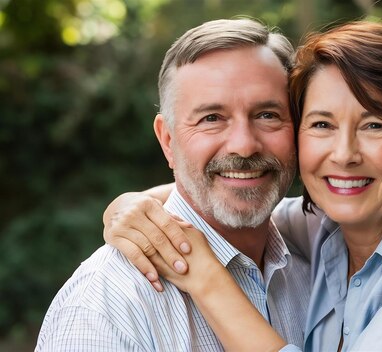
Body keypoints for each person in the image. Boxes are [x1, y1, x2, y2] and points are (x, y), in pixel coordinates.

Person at [104, 21, 382, 351]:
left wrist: (205, 277)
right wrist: (127, 207)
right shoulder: (319, 231)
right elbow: (214, 195)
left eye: (375, 125)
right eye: (322, 124)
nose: (344, 154)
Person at [36, 19, 311, 351]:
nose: (244, 145)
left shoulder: (321, 261)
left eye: (267, 114)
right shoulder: (107, 306)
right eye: (211, 118)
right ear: (167, 140)